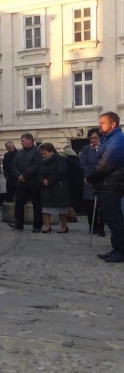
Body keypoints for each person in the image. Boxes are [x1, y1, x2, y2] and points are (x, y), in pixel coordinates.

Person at [86, 112, 124, 263]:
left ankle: (121, 251)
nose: (99, 125)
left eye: (102, 122)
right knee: (112, 219)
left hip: (112, 184)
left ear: (113, 124)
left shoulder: (118, 140)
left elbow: (107, 163)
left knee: (114, 219)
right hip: (108, 184)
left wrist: (90, 177)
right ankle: (117, 249)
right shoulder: (109, 139)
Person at [9, 133, 43, 233]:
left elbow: (36, 166)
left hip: (34, 182)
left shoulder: (37, 152)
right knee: (19, 203)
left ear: (29, 141)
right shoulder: (20, 152)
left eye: (22, 141)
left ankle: (37, 226)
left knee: (37, 205)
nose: (21, 142)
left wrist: (24, 175)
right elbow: (14, 165)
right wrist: (18, 175)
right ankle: (19, 224)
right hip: (21, 183)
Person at [38, 142, 69, 233]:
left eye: (45, 153)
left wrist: (49, 180)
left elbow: (60, 172)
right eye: (42, 153)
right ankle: (47, 226)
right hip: (45, 187)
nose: (43, 155)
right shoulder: (41, 161)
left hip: (58, 186)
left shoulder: (59, 159)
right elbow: (38, 172)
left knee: (61, 208)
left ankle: (64, 226)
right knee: (46, 208)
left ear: (51, 151)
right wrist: (42, 180)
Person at [79, 128, 105, 237]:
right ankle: (92, 226)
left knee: (102, 206)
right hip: (89, 180)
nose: (93, 140)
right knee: (90, 206)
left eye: (95, 137)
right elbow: (82, 165)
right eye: (91, 138)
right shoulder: (86, 149)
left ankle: (101, 228)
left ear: (100, 138)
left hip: (102, 180)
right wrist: (90, 175)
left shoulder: (104, 147)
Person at [62, 146, 83, 222]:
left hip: (69, 183)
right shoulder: (78, 160)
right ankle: (73, 215)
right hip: (78, 183)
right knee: (74, 201)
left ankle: (71, 216)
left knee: (69, 201)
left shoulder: (67, 160)